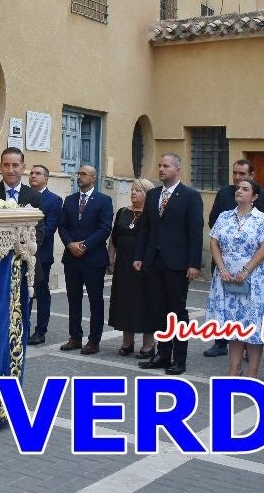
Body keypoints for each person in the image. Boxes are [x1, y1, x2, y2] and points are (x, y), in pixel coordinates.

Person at [134, 153, 203, 376]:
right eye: (160, 165)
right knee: (158, 310)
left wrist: (194, 264)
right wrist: (140, 256)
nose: (161, 169)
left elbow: (195, 232)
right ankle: (163, 354)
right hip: (153, 262)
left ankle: (179, 359)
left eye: (166, 166)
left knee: (177, 312)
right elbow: (145, 228)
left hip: (178, 264)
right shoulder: (153, 194)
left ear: (177, 170)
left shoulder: (190, 196)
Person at [205, 179, 264, 377]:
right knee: (234, 324)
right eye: (238, 188)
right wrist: (222, 269)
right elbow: (214, 242)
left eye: (245, 189)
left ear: (254, 197)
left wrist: (246, 270)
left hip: (254, 278)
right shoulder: (225, 216)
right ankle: (234, 369)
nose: (239, 191)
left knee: (252, 325)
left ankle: (252, 372)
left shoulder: (262, 218)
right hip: (227, 277)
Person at [56, 165, 113, 355]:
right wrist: (71, 245)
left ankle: (94, 340)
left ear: (94, 178)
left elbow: (105, 229)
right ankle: (75, 337)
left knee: (95, 301)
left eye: (83, 174)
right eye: (78, 174)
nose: (79, 177)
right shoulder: (70, 200)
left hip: (94, 259)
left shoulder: (104, 201)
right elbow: (62, 226)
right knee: (73, 299)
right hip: (71, 258)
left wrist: (85, 246)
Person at [109, 179, 156, 358]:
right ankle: (127, 342)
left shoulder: (152, 214)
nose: (133, 193)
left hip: (143, 265)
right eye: (133, 190)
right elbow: (114, 238)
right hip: (123, 265)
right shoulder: (123, 212)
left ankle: (149, 344)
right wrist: (110, 258)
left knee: (144, 303)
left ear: (147, 194)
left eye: (138, 190)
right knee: (124, 302)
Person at [27, 164, 63, 346]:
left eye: (38, 173)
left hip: (41, 254)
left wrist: (30, 242)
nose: (33, 176)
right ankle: (23, 327)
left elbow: (50, 227)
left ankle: (40, 331)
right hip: (22, 252)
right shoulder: (24, 195)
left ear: (46, 178)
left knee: (41, 293)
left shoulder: (54, 200)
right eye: (32, 173)